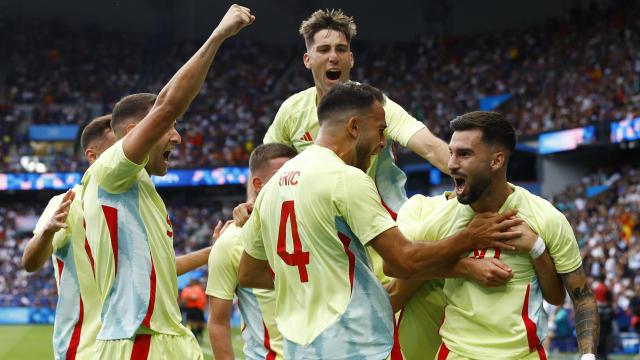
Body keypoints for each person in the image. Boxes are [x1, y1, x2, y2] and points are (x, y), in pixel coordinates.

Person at [237, 83, 524, 359]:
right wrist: (471, 237)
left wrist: (317, 282)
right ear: (353, 127)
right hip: (356, 343)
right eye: (380, 131)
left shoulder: (274, 187)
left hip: (300, 348)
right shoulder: (346, 179)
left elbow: (249, 273)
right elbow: (404, 262)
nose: (383, 143)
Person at [81, 5, 254, 359]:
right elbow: (166, 105)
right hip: (139, 342)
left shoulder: (138, 189)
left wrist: (213, 250)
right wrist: (218, 36)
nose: (177, 137)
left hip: (169, 337)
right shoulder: (110, 172)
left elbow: (162, 269)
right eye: (170, 128)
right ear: (134, 132)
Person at [405, 111, 598, 359]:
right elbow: (402, 266)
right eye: (451, 152)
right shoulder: (440, 218)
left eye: (464, 154)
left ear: (496, 161)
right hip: (458, 353)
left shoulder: (545, 217)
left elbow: (578, 297)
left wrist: (588, 356)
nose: (451, 163)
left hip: (523, 355)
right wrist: (464, 266)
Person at [21, 115, 117, 360]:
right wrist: (48, 231)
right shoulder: (69, 202)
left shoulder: (137, 202)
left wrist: (209, 253)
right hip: (84, 349)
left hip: (128, 347)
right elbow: (29, 262)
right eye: (115, 148)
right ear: (92, 156)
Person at [207, 143, 297, 360]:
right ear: (258, 183)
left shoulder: (311, 227)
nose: (290, 181)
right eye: (281, 175)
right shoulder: (230, 242)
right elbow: (218, 323)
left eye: (294, 175)